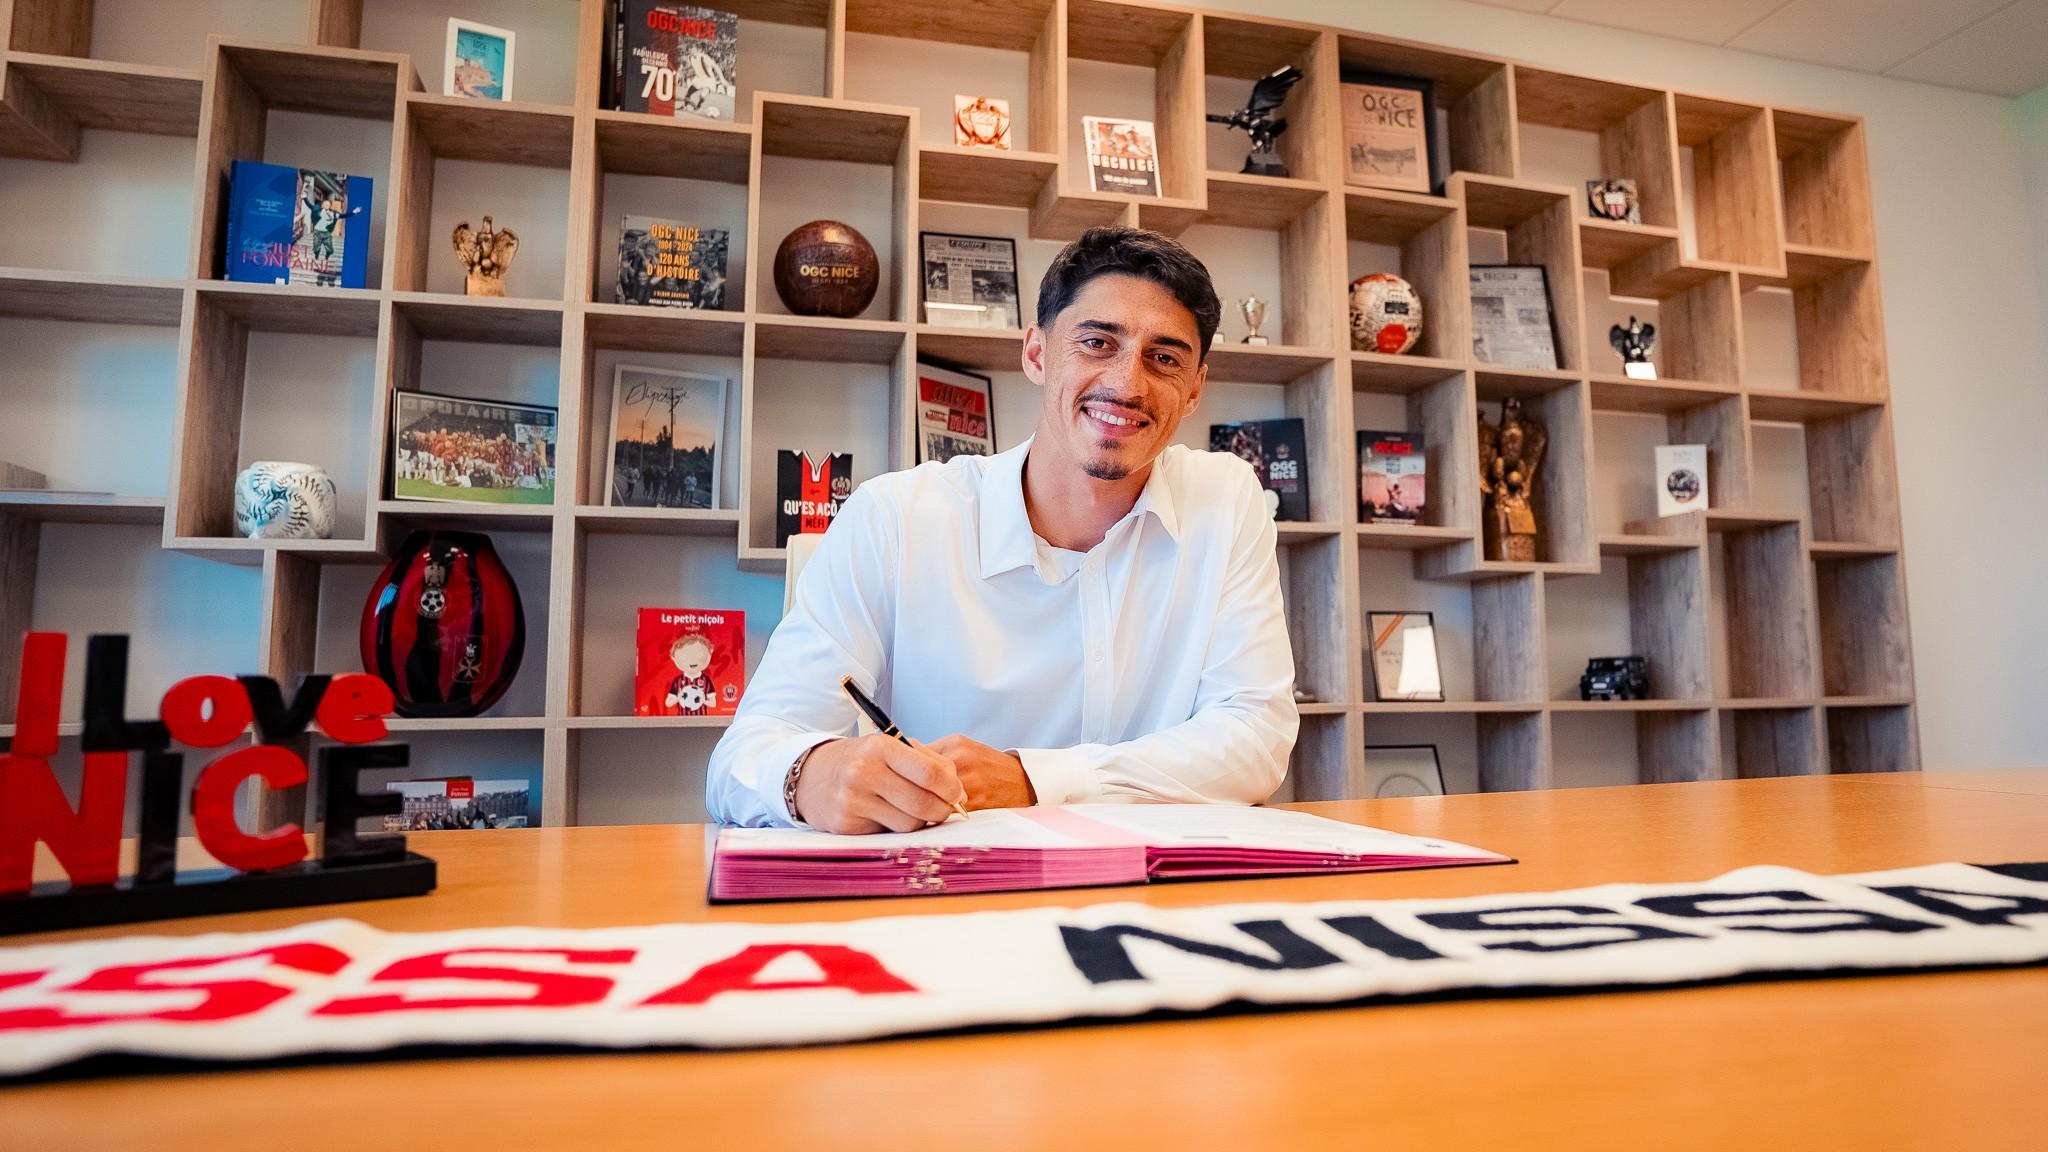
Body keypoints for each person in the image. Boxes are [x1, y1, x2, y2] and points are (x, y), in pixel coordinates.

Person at [705, 226, 1297, 832]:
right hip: (950, 881)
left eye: (1164, 358)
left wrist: (1034, 779)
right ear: (1036, 354)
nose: (1127, 384)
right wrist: (811, 775)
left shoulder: (1226, 499)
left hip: (1160, 878)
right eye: (1096, 343)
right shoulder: (895, 518)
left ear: (1194, 388)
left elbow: (1256, 735)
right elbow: (740, 760)